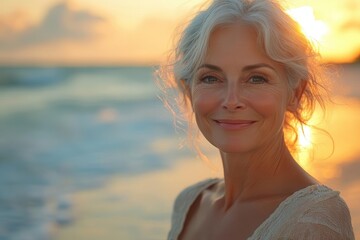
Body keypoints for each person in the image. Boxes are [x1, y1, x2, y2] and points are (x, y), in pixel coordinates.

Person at [157, 0, 355, 239]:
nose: (232, 100)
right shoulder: (190, 204)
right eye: (210, 78)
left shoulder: (313, 220)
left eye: (256, 78)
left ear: (295, 93)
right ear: (189, 91)